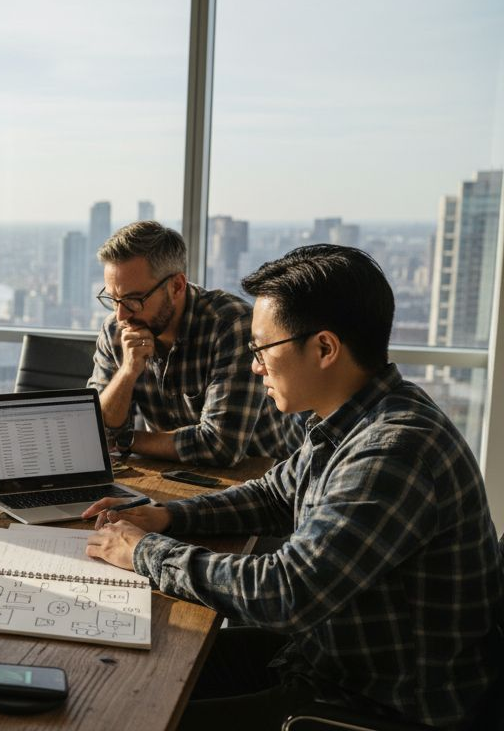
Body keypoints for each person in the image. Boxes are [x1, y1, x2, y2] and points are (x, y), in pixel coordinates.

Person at [84, 245, 504, 729]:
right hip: (325, 653)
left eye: (261, 349)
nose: (255, 366)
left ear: (324, 348)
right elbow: (273, 494)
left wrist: (145, 552)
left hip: (373, 703)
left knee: (133, 716)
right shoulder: (354, 418)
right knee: (136, 672)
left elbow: (285, 592)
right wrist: (168, 515)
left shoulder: (394, 451)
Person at [88, 220, 303, 467]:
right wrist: (127, 372)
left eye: (134, 300)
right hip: (174, 476)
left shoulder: (231, 324)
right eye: (113, 299)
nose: (121, 315)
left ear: (177, 286)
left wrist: (125, 440)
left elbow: (220, 446)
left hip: (259, 481)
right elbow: (94, 431)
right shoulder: (117, 329)